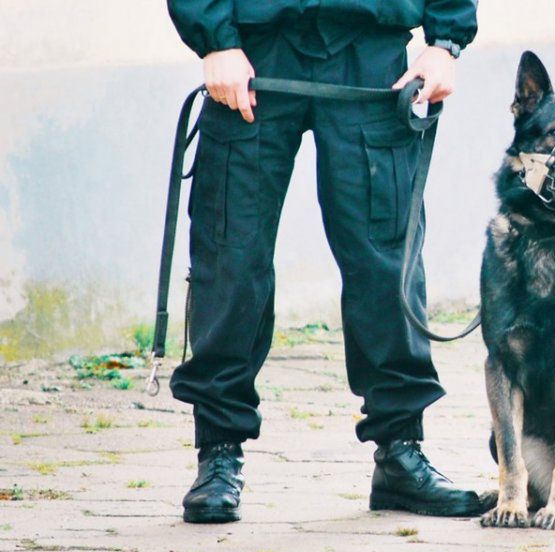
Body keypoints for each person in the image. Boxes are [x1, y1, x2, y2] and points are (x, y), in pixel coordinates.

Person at [165, 0, 483, 524]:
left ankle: (400, 452)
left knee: (385, 260)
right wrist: (215, 39)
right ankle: (217, 454)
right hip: (251, 49)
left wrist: (445, 40)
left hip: (371, 49)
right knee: (232, 257)